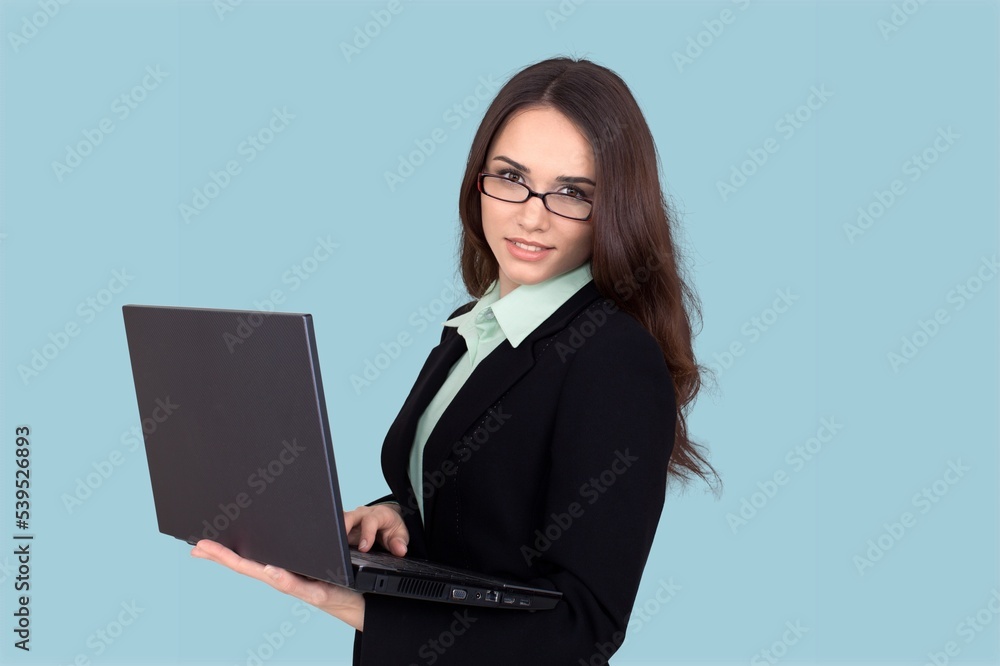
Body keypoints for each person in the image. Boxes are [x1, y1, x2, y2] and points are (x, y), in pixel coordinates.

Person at [190, 56, 721, 665]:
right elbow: (485, 513)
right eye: (510, 176)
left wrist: (350, 604)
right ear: (478, 181)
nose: (530, 214)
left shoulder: (613, 360)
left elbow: (582, 632)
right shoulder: (475, 326)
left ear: (615, 208)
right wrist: (393, 521)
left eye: (572, 192)